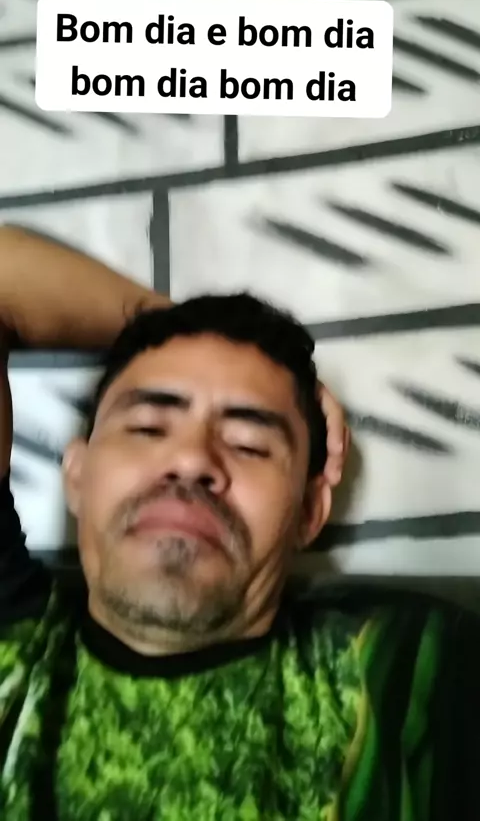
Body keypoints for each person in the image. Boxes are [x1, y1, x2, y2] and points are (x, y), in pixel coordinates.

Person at [0, 226, 478, 821]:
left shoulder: (416, 668)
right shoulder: (13, 640)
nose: (191, 459)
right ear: (77, 476)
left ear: (310, 511)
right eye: (148, 427)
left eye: (249, 443)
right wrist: (181, 325)